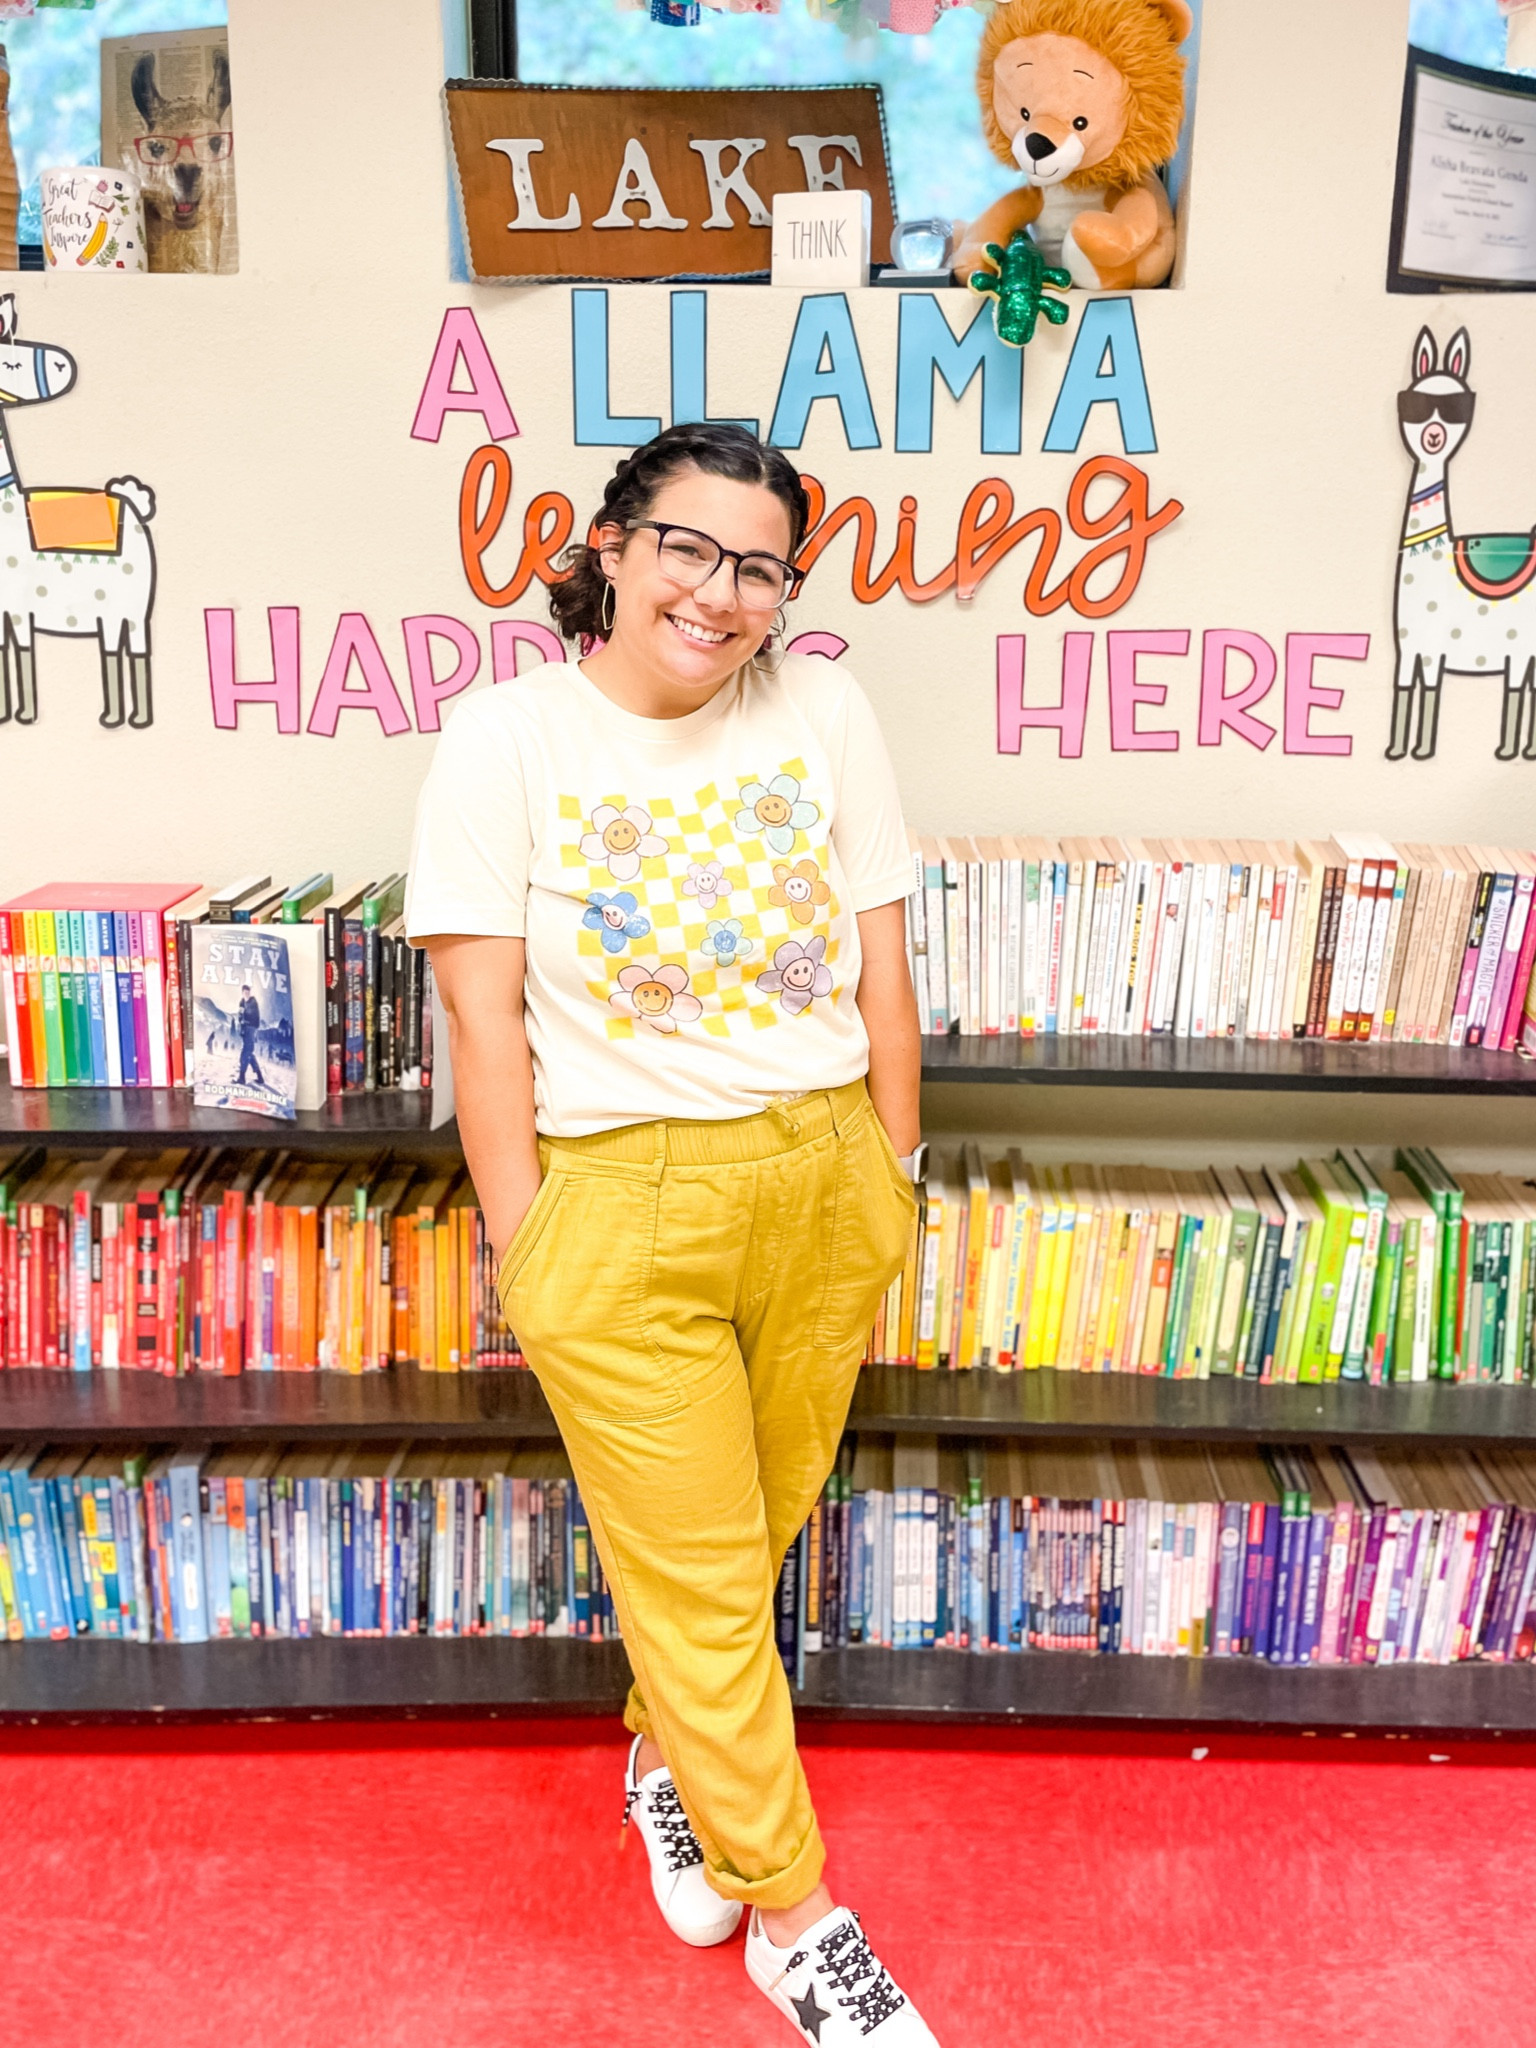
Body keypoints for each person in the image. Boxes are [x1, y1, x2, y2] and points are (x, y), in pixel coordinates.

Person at [406, 422, 936, 2047]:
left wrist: (890, 1184)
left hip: (819, 1179)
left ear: (787, 590)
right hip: (621, 1204)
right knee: (705, 1582)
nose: (719, 593)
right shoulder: (506, 740)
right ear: (616, 546)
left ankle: (666, 1762)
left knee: (746, 1536)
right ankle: (799, 1916)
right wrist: (534, 1250)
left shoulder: (823, 709)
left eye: (759, 566)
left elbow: (881, 964)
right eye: (687, 548)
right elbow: (482, 1025)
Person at [234, 984, 263, 1085]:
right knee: (249, 1052)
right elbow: (240, 1015)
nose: (246, 994)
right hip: (245, 1029)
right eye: (245, 992)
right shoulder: (242, 1002)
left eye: (248, 992)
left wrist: (245, 1021)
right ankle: (260, 1076)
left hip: (251, 1028)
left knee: (246, 1052)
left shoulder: (253, 1002)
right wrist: (241, 1019)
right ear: (242, 993)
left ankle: (242, 1077)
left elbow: (253, 1016)